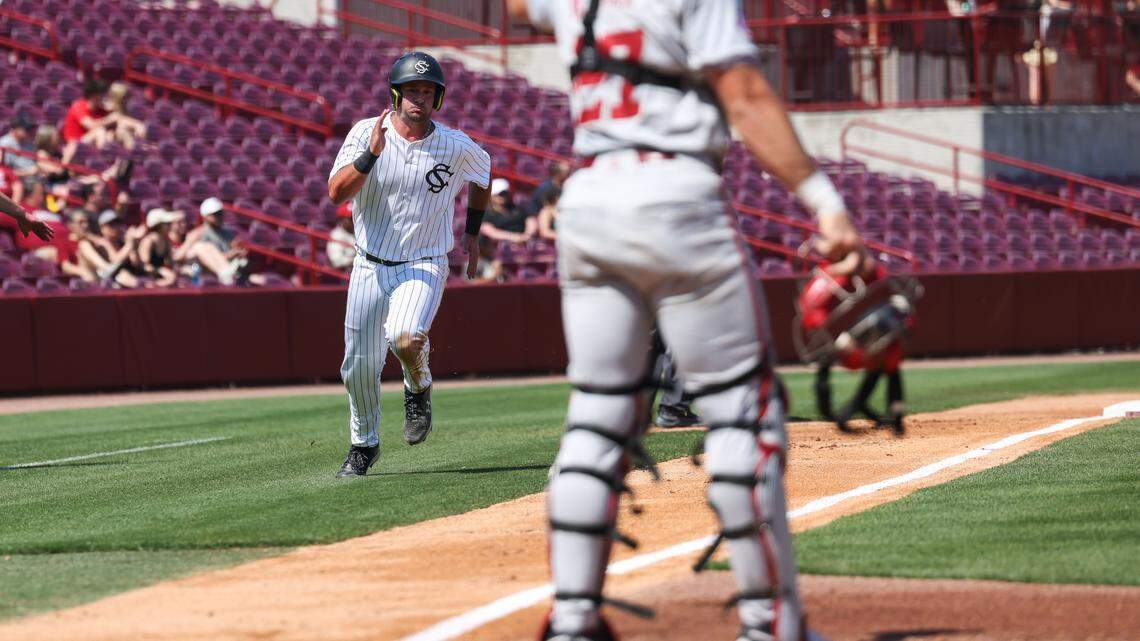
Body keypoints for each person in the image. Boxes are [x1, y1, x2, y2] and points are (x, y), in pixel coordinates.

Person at [508, 1, 867, 640]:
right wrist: (825, 202)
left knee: (597, 416)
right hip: (675, 191)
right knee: (742, 415)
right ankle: (771, 624)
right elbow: (746, 95)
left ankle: (571, 621)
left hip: (589, 200)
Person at [326, 51, 491, 477]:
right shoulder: (367, 132)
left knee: (403, 337)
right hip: (368, 264)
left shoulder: (454, 145)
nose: (420, 98)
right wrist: (371, 155)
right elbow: (336, 193)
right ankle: (364, 444)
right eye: (412, 90)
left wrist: (471, 232)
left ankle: (418, 385)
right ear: (395, 94)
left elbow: (483, 174)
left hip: (424, 261)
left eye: (428, 91)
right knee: (358, 367)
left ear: (438, 98)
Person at [182, 197, 250, 285]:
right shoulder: (198, 234)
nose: (219, 216)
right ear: (205, 216)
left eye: (220, 213)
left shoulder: (227, 232)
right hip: (203, 271)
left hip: (226, 270)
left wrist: (238, 253)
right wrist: (232, 254)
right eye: (215, 214)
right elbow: (204, 260)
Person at [76, 210, 145, 288]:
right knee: (122, 275)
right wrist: (129, 244)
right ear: (102, 228)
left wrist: (134, 246)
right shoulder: (100, 243)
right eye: (111, 224)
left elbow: (136, 264)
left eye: (117, 223)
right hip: (104, 283)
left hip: (125, 280)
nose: (115, 227)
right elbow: (115, 261)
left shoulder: (122, 242)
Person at [481, 177, 536, 244]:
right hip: (503, 245)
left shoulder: (515, 208)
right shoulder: (486, 212)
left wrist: (528, 234)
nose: (502, 196)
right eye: (499, 194)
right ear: (491, 196)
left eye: (505, 193)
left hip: (525, 240)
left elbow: (530, 219)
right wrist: (516, 237)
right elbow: (491, 232)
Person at [0, 113, 38, 203]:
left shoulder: (29, 144)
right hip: (18, 185)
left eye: (30, 129)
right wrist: (27, 172)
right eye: (26, 129)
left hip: (33, 183)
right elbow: (4, 173)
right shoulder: (4, 145)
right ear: (15, 129)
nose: (29, 131)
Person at [137, 207, 180, 287]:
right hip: (147, 276)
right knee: (171, 278)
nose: (170, 225)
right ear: (158, 226)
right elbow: (143, 266)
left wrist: (176, 269)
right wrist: (160, 271)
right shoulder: (148, 241)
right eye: (167, 223)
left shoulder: (166, 241)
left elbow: (171, 262)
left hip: (159, 274)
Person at [102, 82, 148, 150]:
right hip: (106, 135)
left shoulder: (125, 110)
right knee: (123, 131)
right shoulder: (106, 107)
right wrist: (135, 124)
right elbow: (114, 120)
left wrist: (136, 125)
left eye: (127, 97)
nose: (127, 100)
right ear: (118, 97)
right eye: (124, 97)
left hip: (119, 136)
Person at [327, 201, 357, 270]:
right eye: (350, 218)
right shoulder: (337, 235)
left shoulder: (357, 233)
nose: (353, 221)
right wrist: (354, 261)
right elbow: (336, 261)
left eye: (354, 217)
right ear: (342, 219)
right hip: (343, 273)